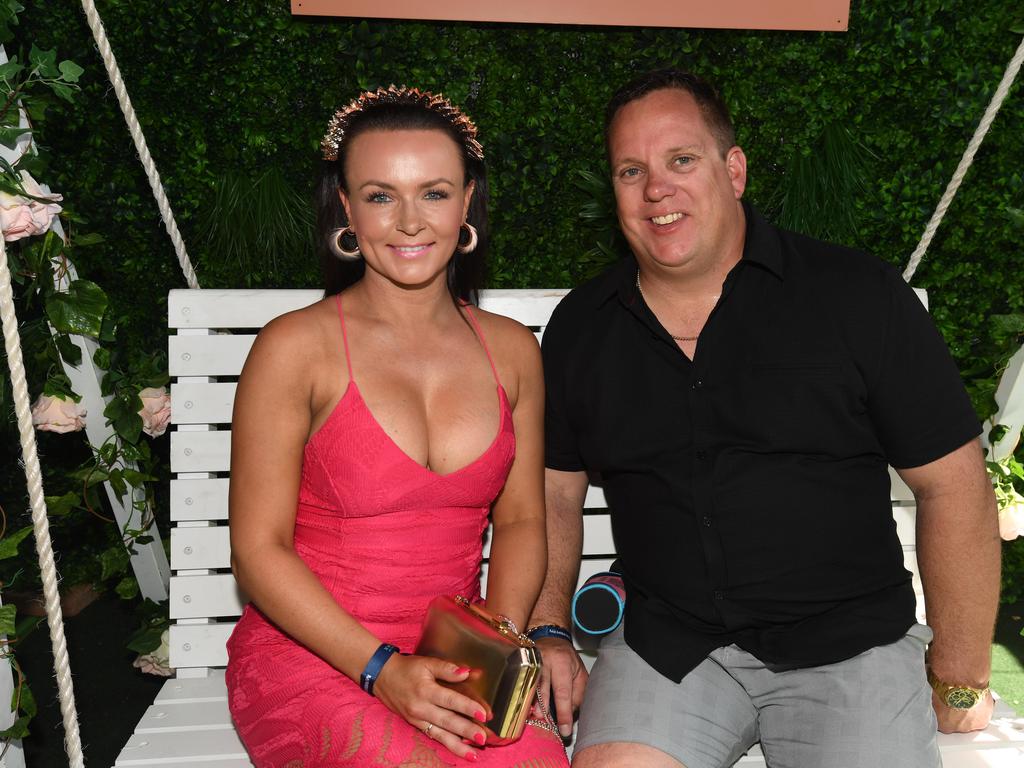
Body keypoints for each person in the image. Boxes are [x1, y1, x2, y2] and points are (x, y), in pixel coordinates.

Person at [529, 69, 1001, 768]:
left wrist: (959, 682)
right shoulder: (583, 329)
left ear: (734, 170)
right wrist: (548, 631)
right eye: (632, 170)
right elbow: (553, 494)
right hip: (670, 649)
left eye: (681, 160)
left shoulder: (855, 298)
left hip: (851, 649)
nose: (657, 188)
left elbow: (954, 486)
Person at [225, 85, 568, 768]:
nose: (410, 222)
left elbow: (526, 519)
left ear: (467, 201)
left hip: (454, 650)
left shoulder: (512, 351)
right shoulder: (294, 349)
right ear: (347, 209)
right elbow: (258, 551)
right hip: (317, 652)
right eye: (381, 196)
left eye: (434, 193)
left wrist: (494, 655)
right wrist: (381, 668)